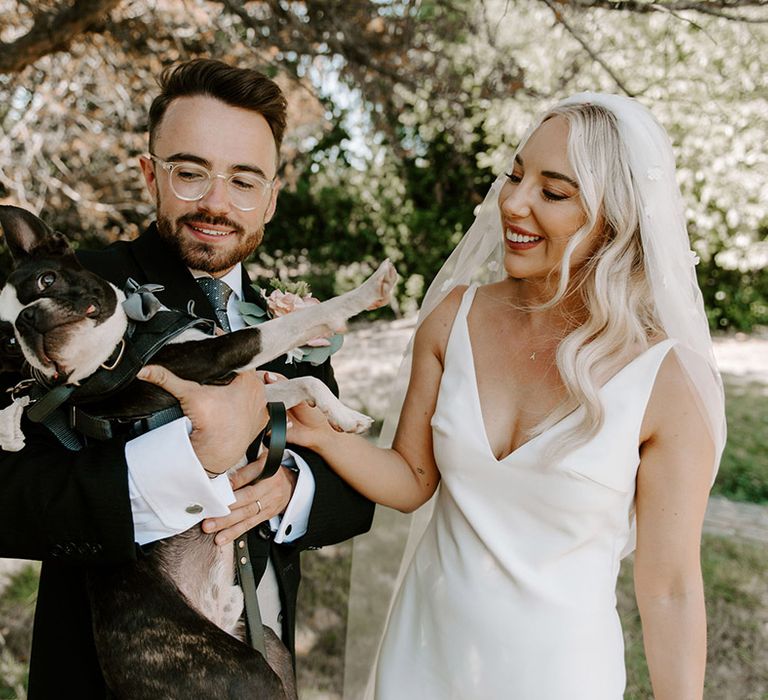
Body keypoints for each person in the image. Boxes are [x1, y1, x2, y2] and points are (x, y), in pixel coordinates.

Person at [282, 93, 726, 699]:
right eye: (515, 176)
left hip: (560, 678)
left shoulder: (666, 381)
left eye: (553, 191)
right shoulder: (454, 316)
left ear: (614, 219)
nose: (511, 203)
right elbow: (412, 478)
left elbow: (670, 587)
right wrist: (316, 433)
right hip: (421, 660)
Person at [0, 58, 373, 696]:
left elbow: (351, 488)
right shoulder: (64, 293)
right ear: (151, 174)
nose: (216, 203)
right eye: (191, 172)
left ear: (272, 197)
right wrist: (186, 462)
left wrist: (289, 488)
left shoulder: (288, 317)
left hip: (263, 669)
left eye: (243, 181)